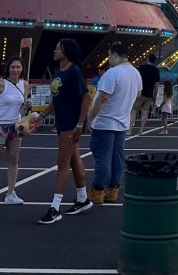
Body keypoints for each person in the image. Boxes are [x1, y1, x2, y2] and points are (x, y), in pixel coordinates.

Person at [32, 38, 92, 224]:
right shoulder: (59, 70)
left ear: (67, 51)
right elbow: (55, 99)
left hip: (70, 125)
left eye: (58, 48)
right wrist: (43, 116)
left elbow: (86, 98)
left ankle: (54, 208)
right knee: (74, 161)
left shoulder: (74, 72)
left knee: (62, 164)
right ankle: (83, 198)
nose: (54, 50)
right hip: (63, 123)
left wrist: (80, 125)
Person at [87, 43, 142, 205]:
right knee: (117, 157)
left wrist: (91, 117)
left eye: (110, 56)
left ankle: (98, 190)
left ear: (116, 55)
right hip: (122, 121)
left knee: (102, 158)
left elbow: (103, 98)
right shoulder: (136, 73)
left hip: (105, 121)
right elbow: (138, 94)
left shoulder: (112, 73)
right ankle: (113, 189)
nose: (108, 59)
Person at [0, 56, 29, 204]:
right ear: (8, 68)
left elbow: (22, 104)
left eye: (18, 67)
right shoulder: (1, 83)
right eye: (13, 67)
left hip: (15, 126)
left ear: (22, 69)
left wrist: (27, 110)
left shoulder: (25, 84)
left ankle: (10, 193)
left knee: (14, 159)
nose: (15, 70)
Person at [131, 54, 161, 135]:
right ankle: (141, 130)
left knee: (134, 111)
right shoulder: (156, 70)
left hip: (141, 92)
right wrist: (155, 95)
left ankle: (129, 130)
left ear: (147, 59)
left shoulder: (142, 68)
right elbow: (157, 84)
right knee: (145, 111)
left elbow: (136, 79)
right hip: (150, 94)